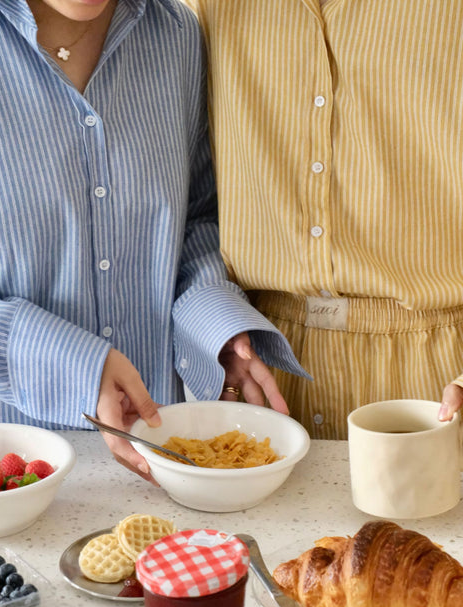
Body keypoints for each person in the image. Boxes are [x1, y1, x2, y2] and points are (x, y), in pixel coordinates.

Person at [0, 0, 311, 480]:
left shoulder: (176, 35)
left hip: (160, 467)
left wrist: (214, 330)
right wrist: (78, 366)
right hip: (13, 486)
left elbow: (195, 218)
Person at [183, 0, 463, 440]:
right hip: (260, 365)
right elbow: (181, 205)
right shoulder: (206, 8)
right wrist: (216, 324)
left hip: (440, 376)